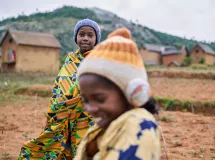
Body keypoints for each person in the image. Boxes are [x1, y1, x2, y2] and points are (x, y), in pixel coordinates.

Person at [19, 18, 101, 160]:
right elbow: (59, 87)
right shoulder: (69, 61)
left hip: (89, 116)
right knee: (65, 146)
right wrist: (62, 105)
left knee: (88, 148)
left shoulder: (100, 61)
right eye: (82, 34)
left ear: (96, 39)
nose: (85, 38)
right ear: (76, 38)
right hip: (66, 116)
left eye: (90, 35)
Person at [76, 28, 160, 160]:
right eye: (85, 100)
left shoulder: (140, 127)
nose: (90, 109)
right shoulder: (103, 126)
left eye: (100, 99)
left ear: (132, 92)